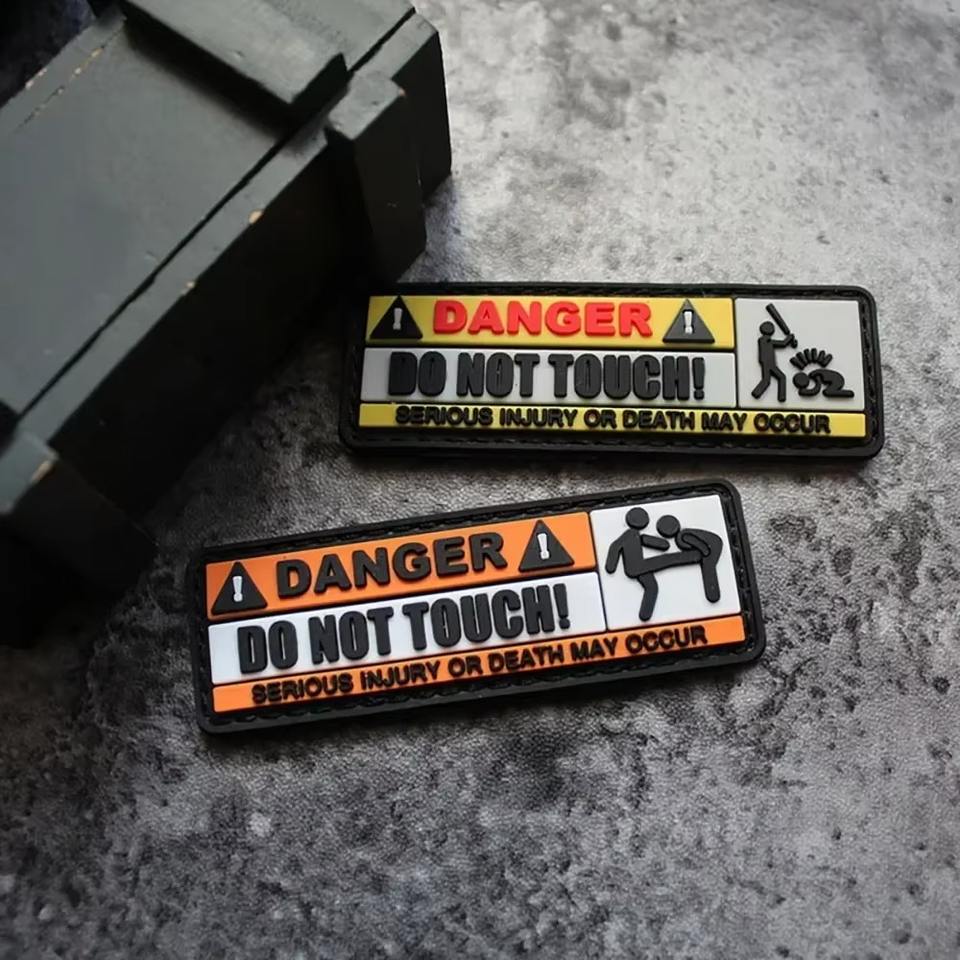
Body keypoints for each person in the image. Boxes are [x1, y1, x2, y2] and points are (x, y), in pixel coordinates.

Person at [605, 509, 700, 621]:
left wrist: (662, 544)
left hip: (640, 568)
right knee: (666, 560)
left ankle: (645, 614)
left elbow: (653, 542)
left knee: (652, 587)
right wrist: (611, 566)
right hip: (636, 566)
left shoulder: (637, 535)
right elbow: (615, 547)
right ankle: (689, 556)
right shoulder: (630, 534)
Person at [655, 516, 723, 603]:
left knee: (709, 568)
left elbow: (704, 550)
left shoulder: (684, 536)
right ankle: (712, 592)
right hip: (710, 550)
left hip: (711, 550)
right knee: (709, 568)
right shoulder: (683, 536)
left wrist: (704, 552)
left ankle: (712, 592)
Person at [751, 321, 797, 403]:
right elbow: (783, 344)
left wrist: (789, 339)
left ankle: (757, 392)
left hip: (767, 362)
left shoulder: (763, 340)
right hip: (768, 363)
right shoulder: (766, 340)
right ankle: (781, 396)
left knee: (767, 380)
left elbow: (783, 343)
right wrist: (789, 338)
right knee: (780, 377)